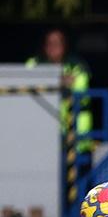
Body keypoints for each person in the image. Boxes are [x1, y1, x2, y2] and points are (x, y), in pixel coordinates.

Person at [25, 28, 93, 169]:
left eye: (57, 43)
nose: (53, 48)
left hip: (76, 139)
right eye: (50, 43)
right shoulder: (34, 63)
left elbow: (80, 90)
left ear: (65, 46)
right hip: (43, 136)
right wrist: (60, 80)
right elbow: (26, 82)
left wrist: (48, 82)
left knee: (77, 185)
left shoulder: (77, 65)